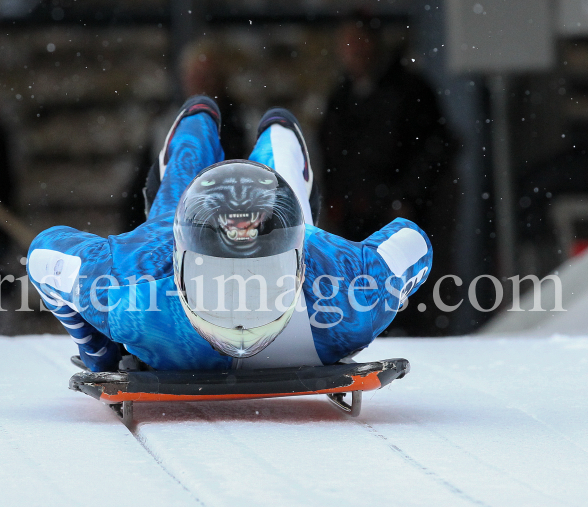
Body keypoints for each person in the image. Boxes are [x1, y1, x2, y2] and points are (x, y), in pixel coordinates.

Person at [28, 97, 432, 372]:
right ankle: (209, 121)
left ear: (298, 264)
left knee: (275, 142)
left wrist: (102, 353)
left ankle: (242, 127)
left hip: (286, 239)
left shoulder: (128, 297)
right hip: (172, 232)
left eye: (261, 281)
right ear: (182, 267)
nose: (241, 316)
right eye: (219, 282)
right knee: (201, 132)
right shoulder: (351, 301)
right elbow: (411, 243)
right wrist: (102, 349)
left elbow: (45, 257)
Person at [319, 15, 457, 335]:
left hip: (402, 210)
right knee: (360, 283)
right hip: (356, 214)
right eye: (347, 45)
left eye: (359, 43)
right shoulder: (340, 98)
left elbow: (433, 149)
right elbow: (332, 156)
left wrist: (405, 197)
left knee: (410, 284)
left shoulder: (409, 90)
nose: (353, 51)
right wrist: (337, 200)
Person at [124, 39, 247, 230]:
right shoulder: (165, 126)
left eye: (206, 76)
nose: (200, 83)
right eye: (194, 76)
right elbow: (139, 193)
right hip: (177, 231)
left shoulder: (243, 126)